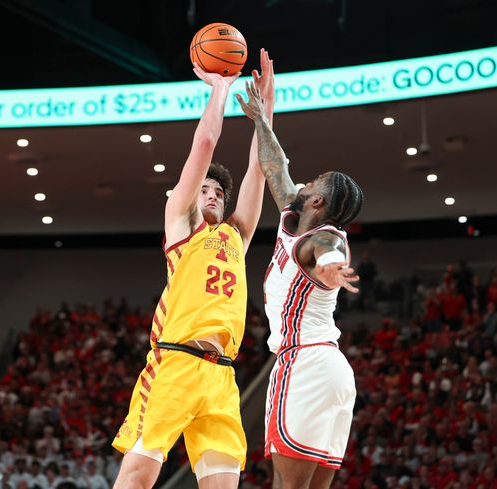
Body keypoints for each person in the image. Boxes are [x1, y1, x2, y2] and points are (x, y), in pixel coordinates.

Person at [111, 49, 276, 489]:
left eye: (218, 191)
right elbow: (203, 145)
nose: (211, 194)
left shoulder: (235, 237)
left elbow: (259, 171)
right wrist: (220, 90)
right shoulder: (181, 224)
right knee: (137, 480)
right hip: (176, 363)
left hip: (221, 375)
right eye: (202, 187)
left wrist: (265, 115)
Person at [236, 79, 363, 488]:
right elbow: (276, 166)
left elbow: (326, 252)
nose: (306, 182)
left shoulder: (320, 239)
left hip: (304, 364)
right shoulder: (296, 215)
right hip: (332, 370)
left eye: (315, 182)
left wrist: (333, 268)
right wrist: (261, 119)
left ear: (319, 202)